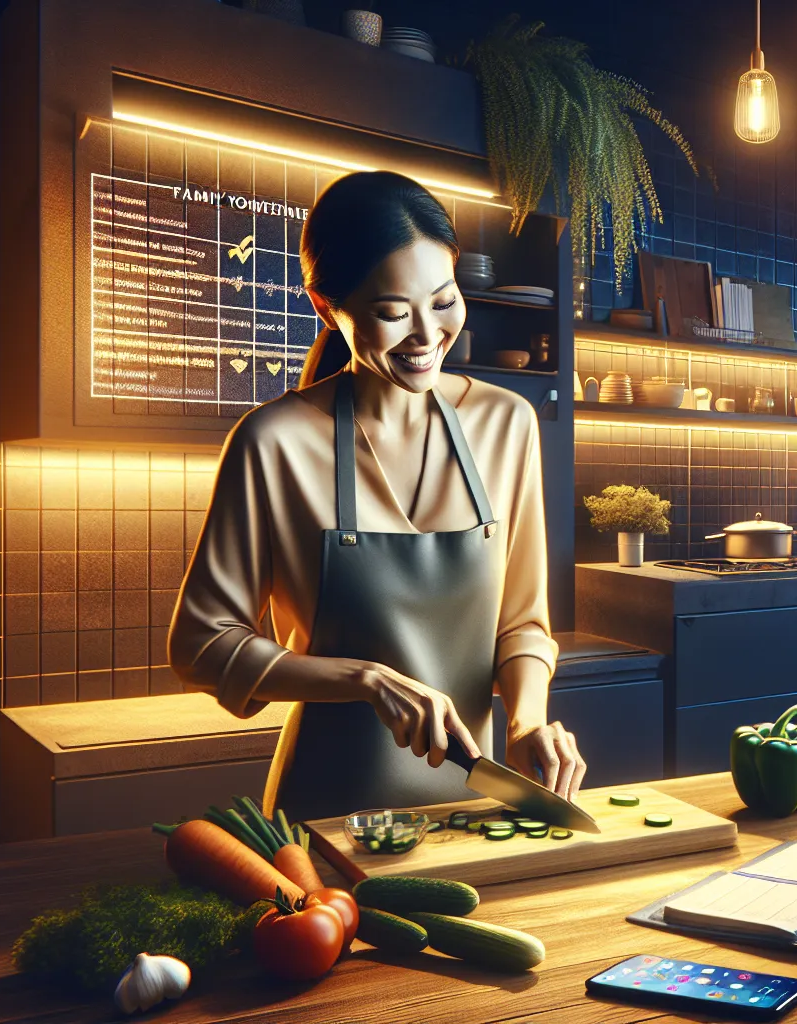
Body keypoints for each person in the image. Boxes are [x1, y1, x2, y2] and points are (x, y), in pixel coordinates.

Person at [169, 171, 586, 821]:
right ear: (325, 305)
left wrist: (528, 720)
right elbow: (201, 644)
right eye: (393, 312)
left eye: (444, 300)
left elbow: (522, 623)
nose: (426, 336)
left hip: (476, 813)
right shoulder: (273, 443)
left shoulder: (507, 424)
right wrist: (364, 679)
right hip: (328, 816)